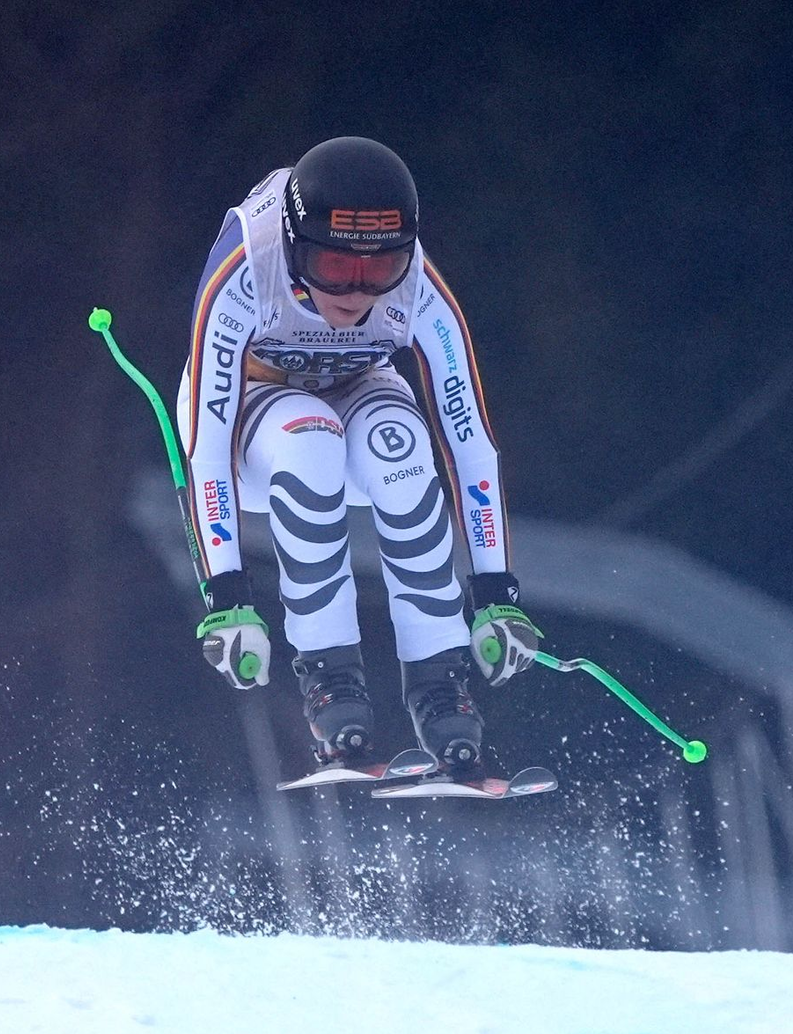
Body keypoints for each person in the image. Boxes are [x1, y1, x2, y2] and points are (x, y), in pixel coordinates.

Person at [175, 136, 541, 774]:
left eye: (379, 270)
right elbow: (205, 451)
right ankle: (331, 678)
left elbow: (469, 443)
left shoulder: (418, 286)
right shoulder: (244, 267)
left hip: (357, 388)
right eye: (335, 268)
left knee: (401, 448)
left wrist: (496, 593)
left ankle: (439, 682)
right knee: (311, 440)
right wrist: (227, 597)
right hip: (256, 410)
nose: (357, 292)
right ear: (291, 245)